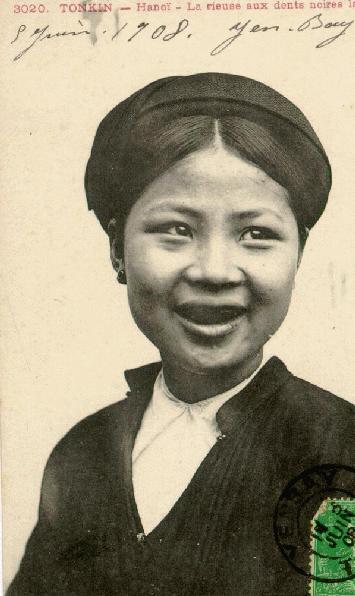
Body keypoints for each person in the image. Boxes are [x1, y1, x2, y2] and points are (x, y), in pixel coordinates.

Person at [8, 73, 355, 596]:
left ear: (299, 254)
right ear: (117, 249)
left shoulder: (341, 447)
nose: (215, 271)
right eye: (176, 229)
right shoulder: (83, 454)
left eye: (256, 234)